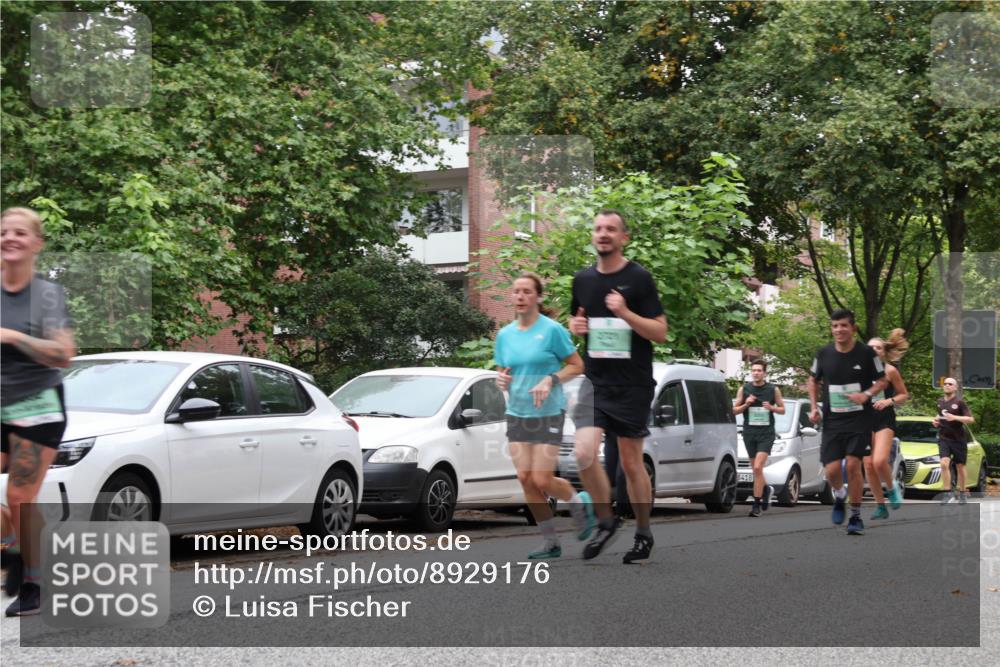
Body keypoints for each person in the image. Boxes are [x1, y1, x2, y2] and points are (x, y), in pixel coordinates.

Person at [569, 209, 667, 563]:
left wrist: (624, 312)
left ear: (623, 237)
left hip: (632, 384)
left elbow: (659, 331)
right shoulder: (582, 279)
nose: (603, 233)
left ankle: (643, 532)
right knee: (582, 453)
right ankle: (606, 521)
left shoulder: (639, 278)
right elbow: (577, 319)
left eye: (611, 229)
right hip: (595, 381)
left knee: (630, 463)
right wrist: (575, 328)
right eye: (598, 228)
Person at [1, 206, 76, 616]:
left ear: (36, 244)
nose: (10, 238)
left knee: (20, 495)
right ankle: (16, 549)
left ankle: (35, 584)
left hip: (37, 406)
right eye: (4, 231)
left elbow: (64, 353)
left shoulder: (47, 295)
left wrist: (11, 335)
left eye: (20, 233)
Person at [494, 272, 592, 558]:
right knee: (525, 478)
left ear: (538, 297)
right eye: (516, 292)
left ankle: (578, 503)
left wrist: (551, 379)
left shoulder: (552, 330)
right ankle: (551, 542)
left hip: (548, 411)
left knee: (541, 478)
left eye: (527, 292)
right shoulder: (505, 335)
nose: (521, 297)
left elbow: (577, 365)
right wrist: (501, 381)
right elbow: (504, 372)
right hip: (517, 412)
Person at [808, 309, 887, 536]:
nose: (839, 330)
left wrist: (866, 394)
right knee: (832, 471)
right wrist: (814, 407)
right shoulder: (823, 353)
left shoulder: (866, 354)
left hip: (859, 419)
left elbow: (882, 381)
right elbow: (813, 381)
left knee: (853, 465)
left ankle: (855, 515)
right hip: (833, 421)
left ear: (853, 328)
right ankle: (839, 494)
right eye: (835, 326)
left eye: (843, 325)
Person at [866, 330, 910, 519]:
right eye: (871, 348)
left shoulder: (890, 370)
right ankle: (880, 506)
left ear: (884, 352)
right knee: (868, 465)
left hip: (884, 419)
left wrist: (888, 401)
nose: (874, 350)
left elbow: (904, 395)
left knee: (878, 461)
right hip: (864, 420)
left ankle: (892, 490)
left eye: (878, 347)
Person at [733, 360, 785, 517]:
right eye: (754, 370)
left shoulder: (773, 389)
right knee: (757, 471)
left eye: (759, 370)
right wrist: (746, 404)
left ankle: (756, 505)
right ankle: (767, 489)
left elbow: (782, 410)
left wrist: (772, 408)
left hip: (766, 433)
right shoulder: (745, 389)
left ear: (764, 373)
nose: (756, 373)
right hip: (749, 433)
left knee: (757, 467)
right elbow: (734, 410)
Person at [932, 377, 975, 505]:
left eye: (950, 384)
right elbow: (940, 416)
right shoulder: (939, 402)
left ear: (955, 388)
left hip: (958, 439)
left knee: (960, 466)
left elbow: (971, 419)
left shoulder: (960, 402)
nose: (947, 386)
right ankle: (947, 493)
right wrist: (935, 421)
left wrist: (954, 417)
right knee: (944, 464)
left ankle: (962, 493)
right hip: (944, 438)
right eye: (945, 384)